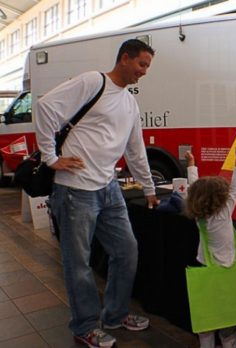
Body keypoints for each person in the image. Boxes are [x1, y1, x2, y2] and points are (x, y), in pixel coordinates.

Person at [35, 39, 160, 348]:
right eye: (141, 64)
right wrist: (51, 158)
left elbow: (135, 150)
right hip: (76, 190)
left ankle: (115, 314)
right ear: (124, 58)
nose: (144, 72)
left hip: (109, 188)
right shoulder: (94, 82)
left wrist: (148, 187)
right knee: (78, 263)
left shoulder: (130, 102)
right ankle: (84, 326)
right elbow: (45, 106)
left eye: (147, 67)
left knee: (126, 251)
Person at [184, 145, 236, 348]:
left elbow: (193, 185)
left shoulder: (198, 216)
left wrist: (191, 164)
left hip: (205, 269)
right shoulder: (224, 213)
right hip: (228, 273)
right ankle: (229, 343)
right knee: (228, 317)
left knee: (207, 316)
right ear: (222, 198)